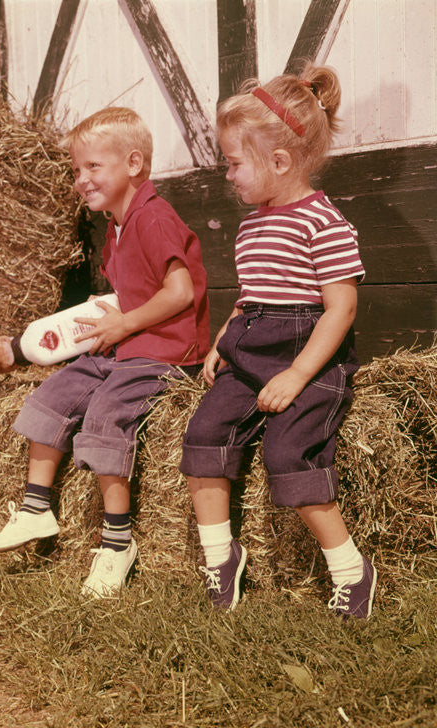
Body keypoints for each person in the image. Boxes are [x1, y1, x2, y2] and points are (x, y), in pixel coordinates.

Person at [0, 107, 210, 599]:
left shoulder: (154, 218)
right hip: (126, 343)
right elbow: (133, 290)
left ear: (133, 164)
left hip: (165, 351)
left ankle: (116, 543)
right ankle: (35, 508)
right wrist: (101, 313)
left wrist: (124, 322)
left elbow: (180, 293)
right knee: (53, 394)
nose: (81, 180)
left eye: (92, 167)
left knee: (106, 415)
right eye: (75, 171)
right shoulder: (116, 224)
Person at [180, 65, 375, 618]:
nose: (229, 176)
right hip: (251, 345)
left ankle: (350, 569)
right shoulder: (252, 226)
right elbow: (251, 297)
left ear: (280, 161)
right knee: (203, 436)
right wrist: (223, 339)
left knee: (288, 451)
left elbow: (341, 309)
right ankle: (221, 558)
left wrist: (297, 375)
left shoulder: (324, 222)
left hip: (308, 350)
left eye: (235, 163)